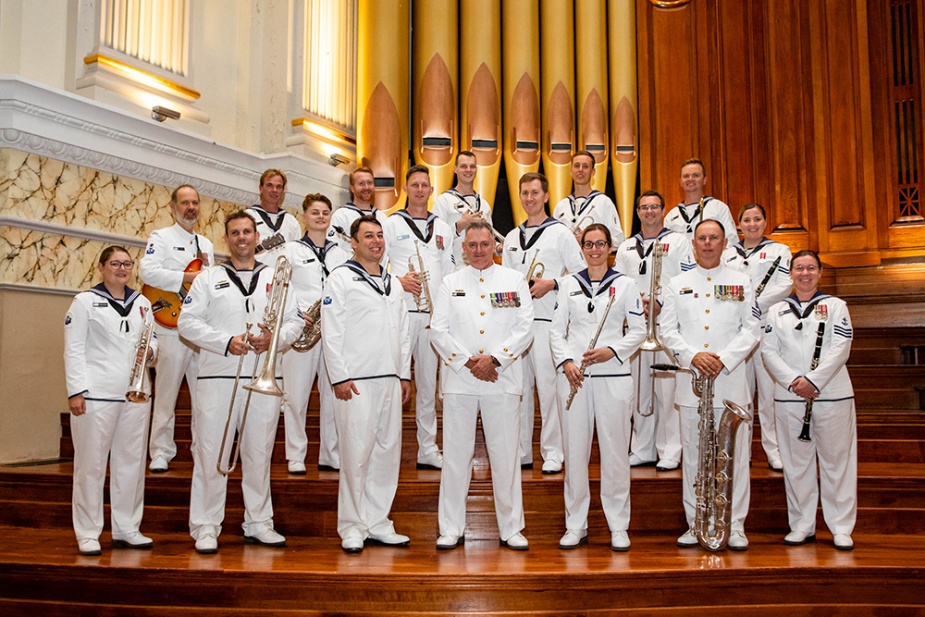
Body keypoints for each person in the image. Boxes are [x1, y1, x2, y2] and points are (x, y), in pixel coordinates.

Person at [178, 211, 302, 554]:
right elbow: (187, 323)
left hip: (263, 375)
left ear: (256, 234)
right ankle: (205, 525)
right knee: (211, 453)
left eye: (247, 231)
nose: (242, 238)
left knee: (259, 453)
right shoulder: (207, 278)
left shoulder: (275, 276)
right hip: (217, 377)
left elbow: (294, 323)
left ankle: (259, 522)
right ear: (226, 239)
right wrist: (224, 341)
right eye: (235, 233)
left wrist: (274, 338)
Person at [430, 221, 534, 551]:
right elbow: (438, 330)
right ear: (463, 248)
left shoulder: (514, 280)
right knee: (455, 458)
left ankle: (512, 527)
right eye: (472, 245)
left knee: (505, 457)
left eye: (484, 244)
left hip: (502, 379)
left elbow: (525, 328)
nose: (478, 250)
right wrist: (468, 362)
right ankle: (450, 527)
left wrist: (496, 359)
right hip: (460, 380)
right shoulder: (450, 283)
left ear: (494, 245)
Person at [660, 219, 760, 551]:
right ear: (693, 243)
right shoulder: (676, 283)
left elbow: (752, 330)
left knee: (734, 457)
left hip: (730, 382)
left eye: (713, 238)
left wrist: (723, 358)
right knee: (695, 457)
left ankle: (735, 525)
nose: (707, 243)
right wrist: (692, 357)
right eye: (701, 238)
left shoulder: (742, 282)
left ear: (724, 243)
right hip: (692, 384)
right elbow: (666, 330)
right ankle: (696, 522)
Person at [550, 224, 646, 551]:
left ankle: (619, 525)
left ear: (609, 247)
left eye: (600, 244)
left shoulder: (626, 285)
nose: (594, 250)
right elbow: (555, 332)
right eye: (589, 244)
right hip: (575, 378)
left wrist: (612, 351)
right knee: (575, 453)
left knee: (616, 454)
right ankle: (575, 524)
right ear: (582, 247)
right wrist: (566, 362)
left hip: (613, 377)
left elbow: (638, 330)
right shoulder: (567, 284)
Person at [321, 215, 412, 554]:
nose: (376, 241)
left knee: (387, 456)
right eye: (368, 236)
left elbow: (403, 333)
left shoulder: (394, 283)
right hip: (355, 381)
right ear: (353, 243)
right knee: (356, 455)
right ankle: (352, 525)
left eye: (379, 235)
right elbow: (332, 329)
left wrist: (404, 374)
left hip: (389, 379)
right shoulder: (341, 278)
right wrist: (339, 375)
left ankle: (378, 522)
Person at [64, 246, 158, 556]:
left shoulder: (143, 302)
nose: (122, 269)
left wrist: (152, 352)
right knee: (90, 465)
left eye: (127, 264)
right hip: (96, 395)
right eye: (115, 264)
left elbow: (153, 343)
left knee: (130, 463)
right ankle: (88, 532)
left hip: (136, 395)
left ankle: (127, 527)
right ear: (102, 267)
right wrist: (76, 391)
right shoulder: (84, 302)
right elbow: (74, 349)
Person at [761, 250, 856, 550]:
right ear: (790, 273)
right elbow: (768, 351)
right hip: (790, 397)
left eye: (811, 268)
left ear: (820, 272)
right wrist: (794, 381)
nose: (805, 273)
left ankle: (840, 526)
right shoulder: (776, 311)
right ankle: (802, 524)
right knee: (796, 464)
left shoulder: (836, 306)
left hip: (831, 395)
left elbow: (841, 347)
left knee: (836, 462)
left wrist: (813, 381)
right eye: (799, 268)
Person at [502, 172, 586, 474]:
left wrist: (552, 283)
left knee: (549, 390)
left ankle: (553, 451)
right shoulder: (512, 237)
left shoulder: (561, 233)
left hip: (546, 320)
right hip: (516, 325)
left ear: (546, 196)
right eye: (524, 192)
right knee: (519, 389)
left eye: (535, 192)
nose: (529, 198)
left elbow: (581, 274)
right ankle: (522, 451)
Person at [614, 190, 692, 471]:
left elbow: (687, 279)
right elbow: (619, 284)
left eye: (654, 207)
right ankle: (642, 448)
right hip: (637, 326)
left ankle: (671, 450)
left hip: (667, 324)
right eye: (644, 207)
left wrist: (660, 302)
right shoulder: (625, 247)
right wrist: (636, 307)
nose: (649, 212)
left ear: (663, 210)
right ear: (637, 212)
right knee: (640, 389)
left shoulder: (679, 241)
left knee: (668, 390)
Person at [139, 184, 215, 473]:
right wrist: (186, 277)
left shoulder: (206, 245)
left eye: (195, 202)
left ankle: (202, 448)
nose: (190, 207)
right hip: (171, 327)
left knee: (204, 396)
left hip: (200, 330)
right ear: (173, 207)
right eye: (184, 202)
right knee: (167, 392)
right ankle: (160, 451)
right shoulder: (161, 237)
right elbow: (147, 271)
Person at [383, 166, 454, 469]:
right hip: (400, 313)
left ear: (431, 190)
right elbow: (377, 264)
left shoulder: (443, 228)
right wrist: (398, 281)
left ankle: (427, 448)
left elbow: (450, 274)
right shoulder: (389, 223)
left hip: (432, 317)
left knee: (427, 385)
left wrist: (448, 313)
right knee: (393, 381)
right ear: (405, 188)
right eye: (415, 185)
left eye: (425, 185)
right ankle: (387, 448)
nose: (420, 189)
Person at [279, 193, 349, 475]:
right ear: (304, 216)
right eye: (315, 212)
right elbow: (282, 287)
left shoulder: (342, 253)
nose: (320, 217)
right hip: (302, 327)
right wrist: (297, 314)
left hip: (332, 330)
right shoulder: (290, 251)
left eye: (325, 213)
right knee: (296, 396)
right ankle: (296, 455)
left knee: (332, 395)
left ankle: (330, 453)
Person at [723, 203, 793, 471]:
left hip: (765, 327)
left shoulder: (779, 251)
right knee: (740, 392)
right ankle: (741, 452)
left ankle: (773, 450)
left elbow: (785, 285)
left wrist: (756, 304)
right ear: (739, 224)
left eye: (757, 219)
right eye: (747, 220)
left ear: (765, 222)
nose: (752, 224)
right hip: (736, 331)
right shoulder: (728, 253)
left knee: (767, 393)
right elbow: (721, 286)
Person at [432, 150, 498, 269]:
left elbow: (490, 239)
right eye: (463, 166)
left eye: (472, 166)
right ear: (455, 169)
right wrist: (459, 225)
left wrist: (498, 247)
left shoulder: (484, 204)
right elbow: (435, 240)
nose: (468, 170)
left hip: (481, 271)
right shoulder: (443, 201)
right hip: (454, 271)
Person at [552, 150, 624, 247]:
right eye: (577, 166)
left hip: (593, 259)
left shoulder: (603, 202)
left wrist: (589, 239)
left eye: (585, 166)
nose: (580, 170)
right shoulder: (561, 206)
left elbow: (619, 241)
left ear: (593, 172)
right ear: (571, 170)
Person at [663, 158, 737, 241]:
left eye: (696, 175)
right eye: (686, 176)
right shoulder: (671, 216)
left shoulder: (719, 208)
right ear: (680, 181)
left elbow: (731, 241)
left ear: (704, 180)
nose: (690, 179)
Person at [246, 169, 302, 262]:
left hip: (283, 276)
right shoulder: (247, 216)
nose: (274, 190)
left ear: (283, 190)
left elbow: (296, 255)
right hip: (254, 275)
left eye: (279, 187)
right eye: (269, 185)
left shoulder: (292, 222)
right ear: (261, 188)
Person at [328, 167, 388, 253]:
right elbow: (333, 250)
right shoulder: (341, 215)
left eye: (370, 183)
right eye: (361, 183)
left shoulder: (382, 217)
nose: (366, 187)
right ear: (352, 188)